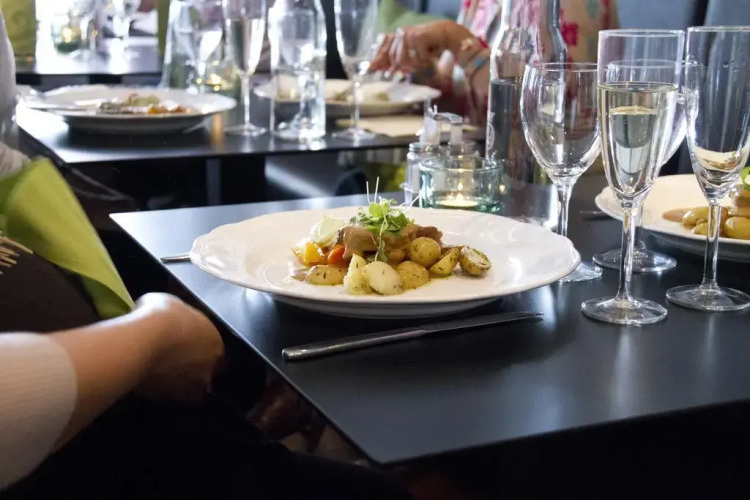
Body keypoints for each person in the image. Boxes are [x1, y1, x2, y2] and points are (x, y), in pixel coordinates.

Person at [0, 10, 412, 499]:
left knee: (228, 313)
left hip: (114, 406)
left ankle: (301, 420)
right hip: (103, 456)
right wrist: (156, 335)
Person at [370, 0, 619, 124]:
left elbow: (542, 116)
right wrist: (416, 58)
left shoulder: (566, 5)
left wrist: (456, 40)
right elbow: (453, 99)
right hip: (479, 168)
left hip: (544, 188)